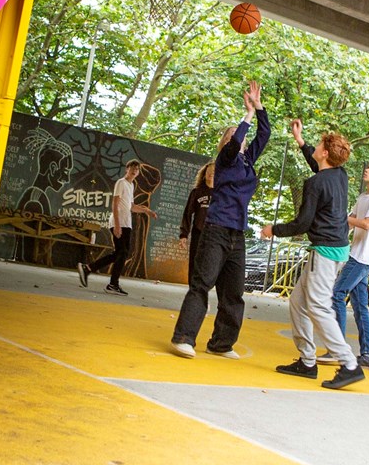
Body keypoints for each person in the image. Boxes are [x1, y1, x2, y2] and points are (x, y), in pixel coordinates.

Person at [261, 121, 364, 390]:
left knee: (318, 307)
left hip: (325, 253)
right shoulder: (339, 175)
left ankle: (349, 364)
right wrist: (300, 140)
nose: (316, 148)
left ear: (326, 154)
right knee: (298, 301)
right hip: (337, 249)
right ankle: (307, 361)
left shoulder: (316, 183)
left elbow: (302, 223)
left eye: (319, 146)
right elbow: (317, 167)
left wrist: (275, 229)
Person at [171, 81, 270, 359]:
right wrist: (246, 115)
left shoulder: (247, 162)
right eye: (233, 136)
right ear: (226, 142)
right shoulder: (224, 161)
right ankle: (183, 337)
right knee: (201, 285)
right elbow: (237, 141)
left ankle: (221, 343)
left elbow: (265, 134)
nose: (240, 140)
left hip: (237, 234)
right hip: (215, 230)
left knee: (234, 293)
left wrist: (258, 106)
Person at [317, 158, 369, 370]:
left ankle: (337, 349)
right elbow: (348, 221)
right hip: (356, 254)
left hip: (362, 257)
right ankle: (368, 355)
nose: (367, 171)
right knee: (360, 306)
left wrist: (345, 218)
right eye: (367, 168)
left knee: (337, 294)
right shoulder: (363, 197)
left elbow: (367, 224)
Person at [77, 159, 157, 296]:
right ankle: (113, 284)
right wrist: (117, 226)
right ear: (127, 169)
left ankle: (88, 269)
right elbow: (115, 204)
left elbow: (131, 206)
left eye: (137, 169)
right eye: (132, 167)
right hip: (118, 222)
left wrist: (146, 211)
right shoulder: (121, 183)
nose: (134, 171)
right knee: (123, 253)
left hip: (127, 223)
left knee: (119, 254)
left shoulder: (131, 186)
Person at [179, 162, 215, 282]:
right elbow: (187, 213)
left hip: (214, 234)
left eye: (214, 172)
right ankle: (193, 291)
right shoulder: (197, 192)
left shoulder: (220, 193)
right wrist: (184, 234)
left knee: (209, 264)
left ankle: (203, 292)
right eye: (208, 172)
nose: (211, 174)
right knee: (195, 262)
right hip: (198, 232)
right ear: (204, 174)